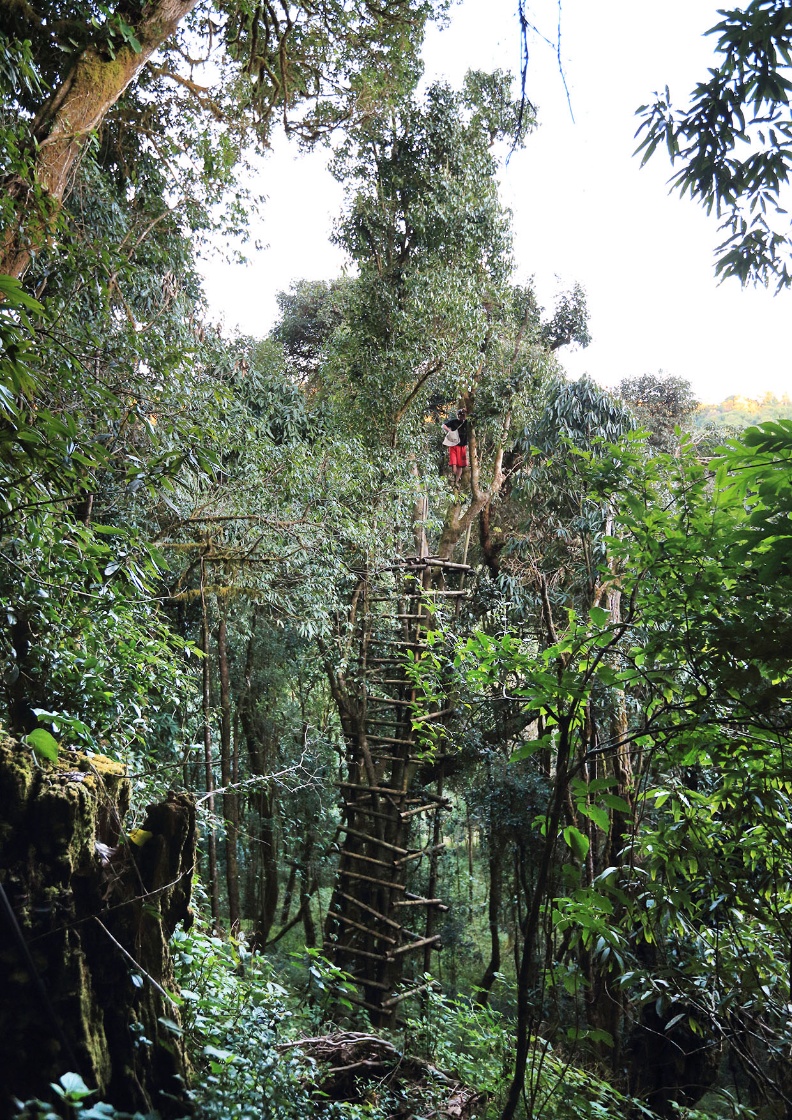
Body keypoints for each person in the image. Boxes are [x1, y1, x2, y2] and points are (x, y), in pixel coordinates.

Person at [442, 407, 468, 483]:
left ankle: (456, 481)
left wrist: (466, 410)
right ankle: (454, 477)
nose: (461, 416)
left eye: (462, 415)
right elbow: (444, 425)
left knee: (460, 465)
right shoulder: (454, 422)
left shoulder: (467, 422)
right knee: (454, 464)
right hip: (453, 445)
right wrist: (449, 431)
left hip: (462, 445)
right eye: (459, 415)